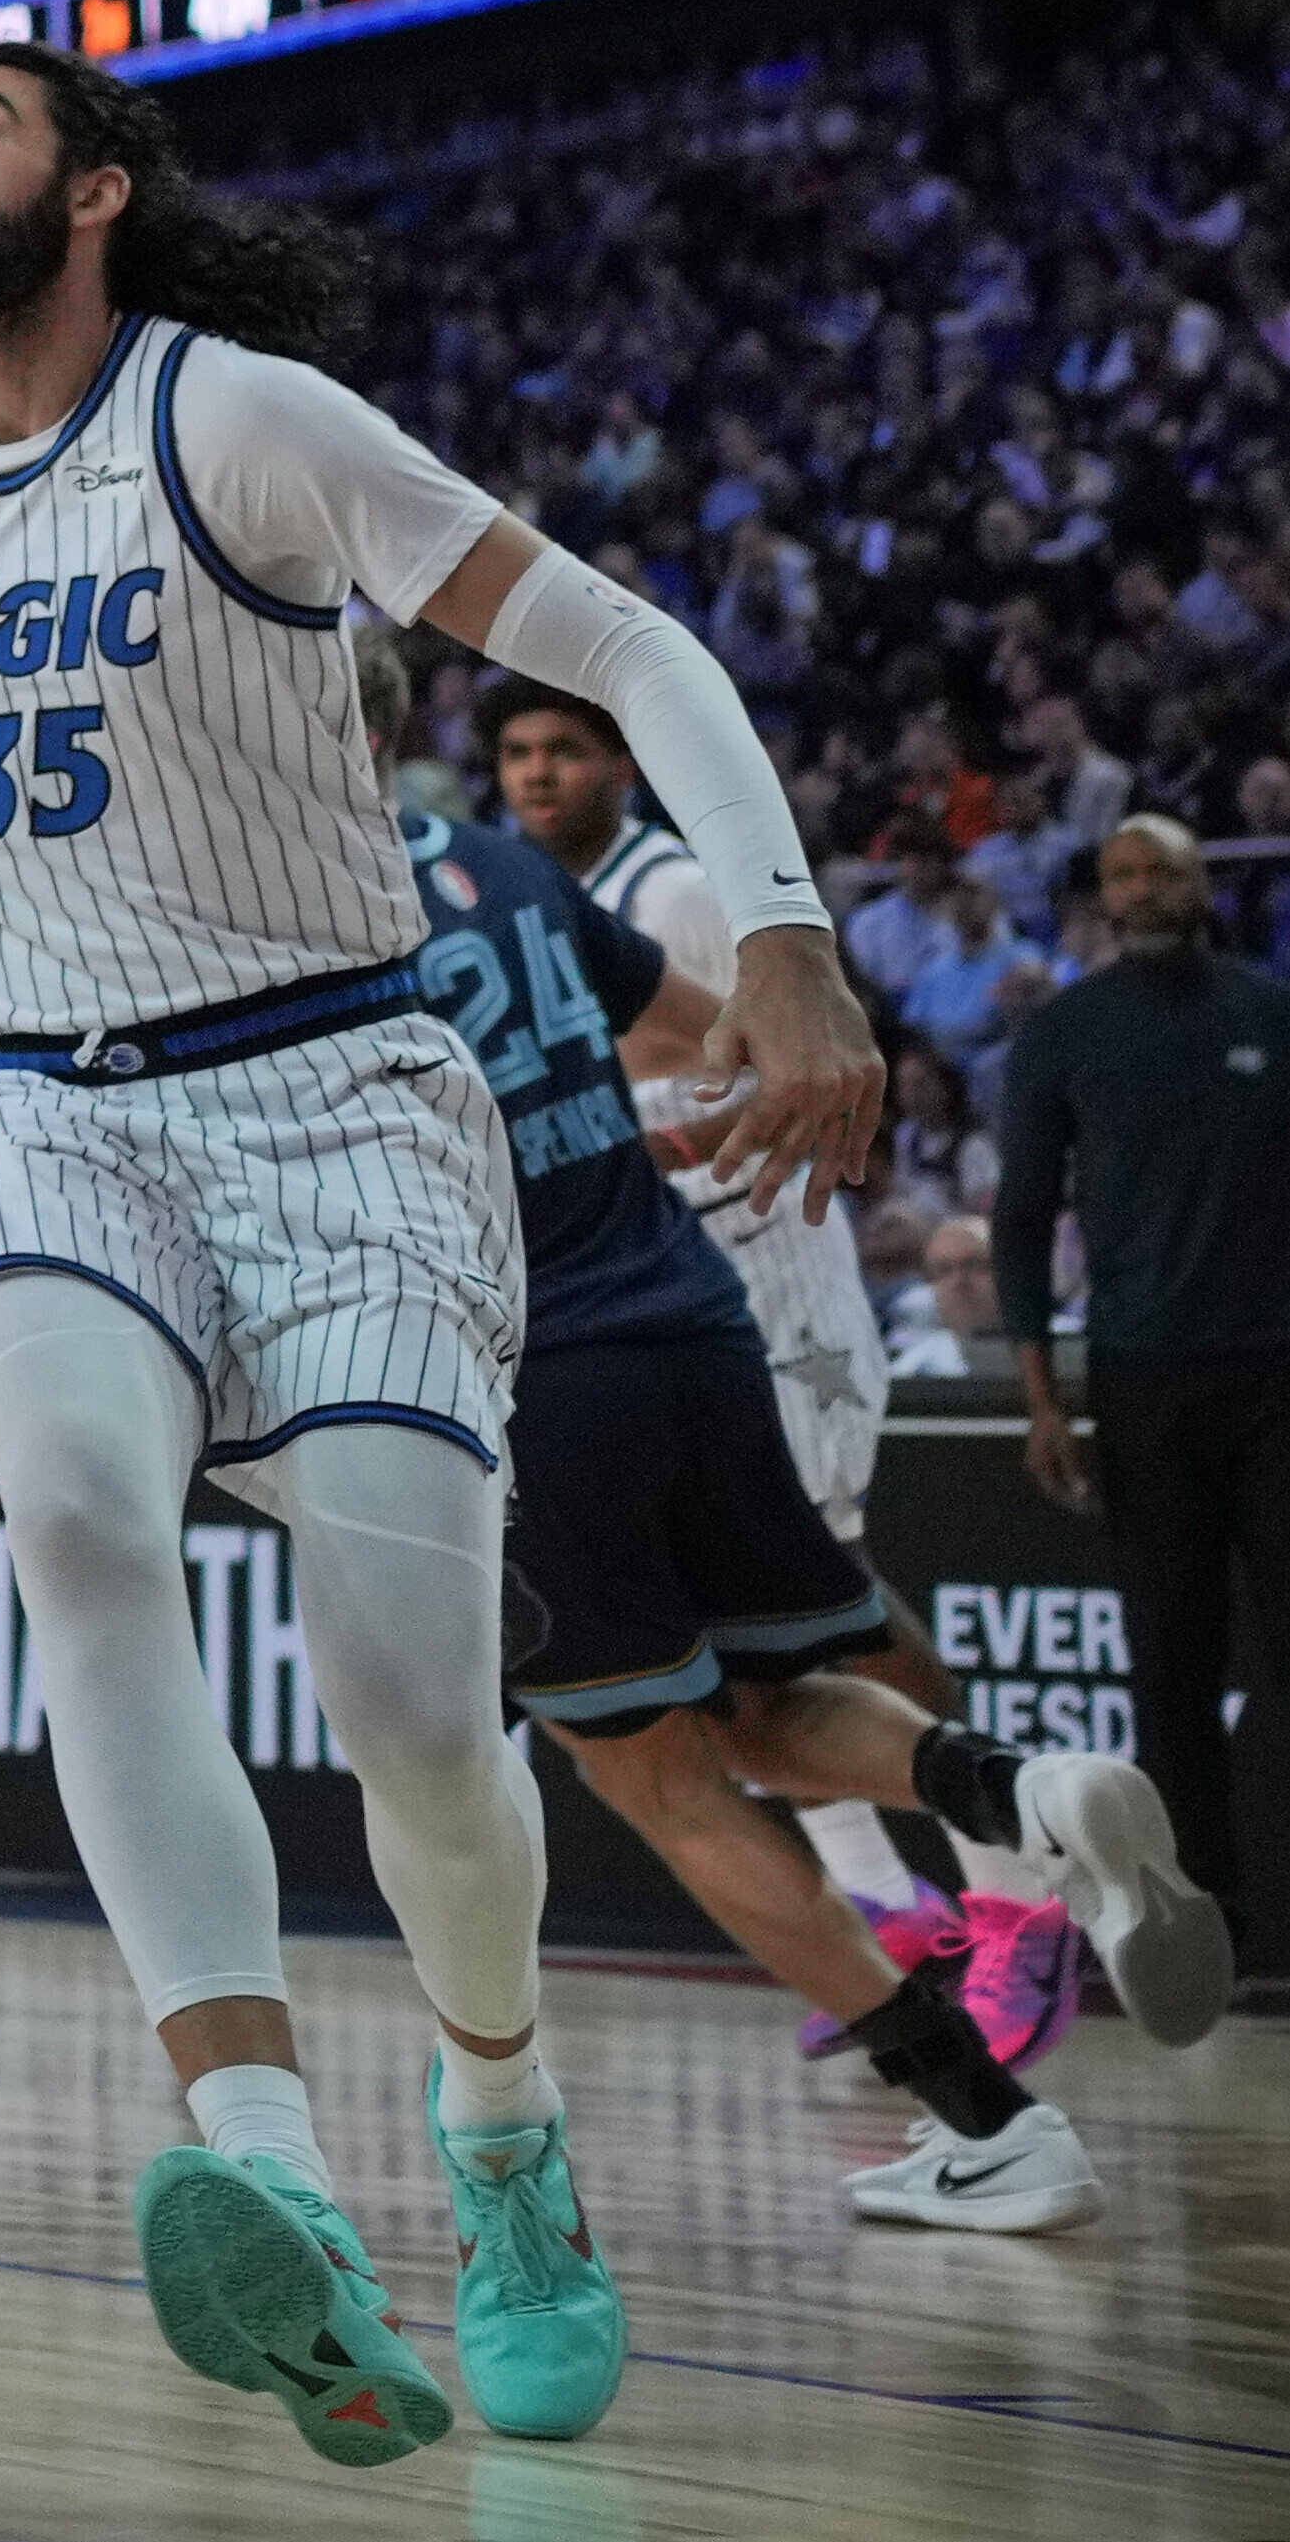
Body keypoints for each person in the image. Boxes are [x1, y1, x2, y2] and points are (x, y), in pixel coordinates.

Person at [0, 45, 873, 2471]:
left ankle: (504, 2138)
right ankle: (270, 2184)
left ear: (97, 189)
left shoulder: (241, 421)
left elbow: (638, 645)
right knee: (73, 1520)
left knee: (418, 1713)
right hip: (29, 1099)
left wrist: (776, 928)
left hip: (337, 1088)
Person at [282, 677, 1230, 2235]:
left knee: (660, 1781)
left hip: (541, 1374)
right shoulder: (510, 868)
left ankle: (990, 2125)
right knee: (765, 1709)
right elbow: (687, 1028)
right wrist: (642, 1131)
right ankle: (1029, 1793)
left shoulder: (293, 923)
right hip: (690, 1312)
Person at [508, 687, 1049, 2058]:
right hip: (659, 1293)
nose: (534, 775)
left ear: (618, 765)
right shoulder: (522, 901)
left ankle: (1018, 1902)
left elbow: (744, 1075)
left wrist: (555, 1145)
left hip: (765, 1285)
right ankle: (883, 1910)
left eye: (560, 749)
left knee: (829, 1629)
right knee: (744, 1668)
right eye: (514, 752)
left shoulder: (673, 889)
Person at [997, 811, 1290, 1955]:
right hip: (1139, 1381)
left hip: (1277, 1373)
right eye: (1124, 872)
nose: (1146, 887)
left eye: (1165, 866)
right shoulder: (1062, 1032)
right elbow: (1020, 1222)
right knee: (1170, 1656)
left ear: (1201, 882)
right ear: (1101, 897)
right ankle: (1207, 1912)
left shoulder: (1272, 1012)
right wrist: (1039, 1395)